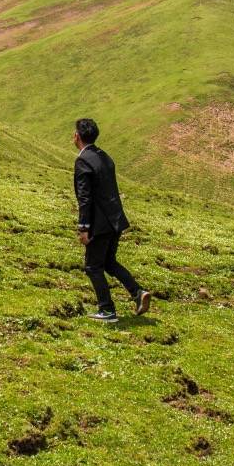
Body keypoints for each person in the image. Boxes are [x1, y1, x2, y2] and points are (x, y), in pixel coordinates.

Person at [74, 117, 152, 323]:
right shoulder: (105, 156)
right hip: (115, 220)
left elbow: (85, 197)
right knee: (108, 261)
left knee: (92, 267)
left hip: (99, 223)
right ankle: (138, 292)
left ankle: (107, 310)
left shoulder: (83, 161)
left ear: (77, 136)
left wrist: (84, 228)